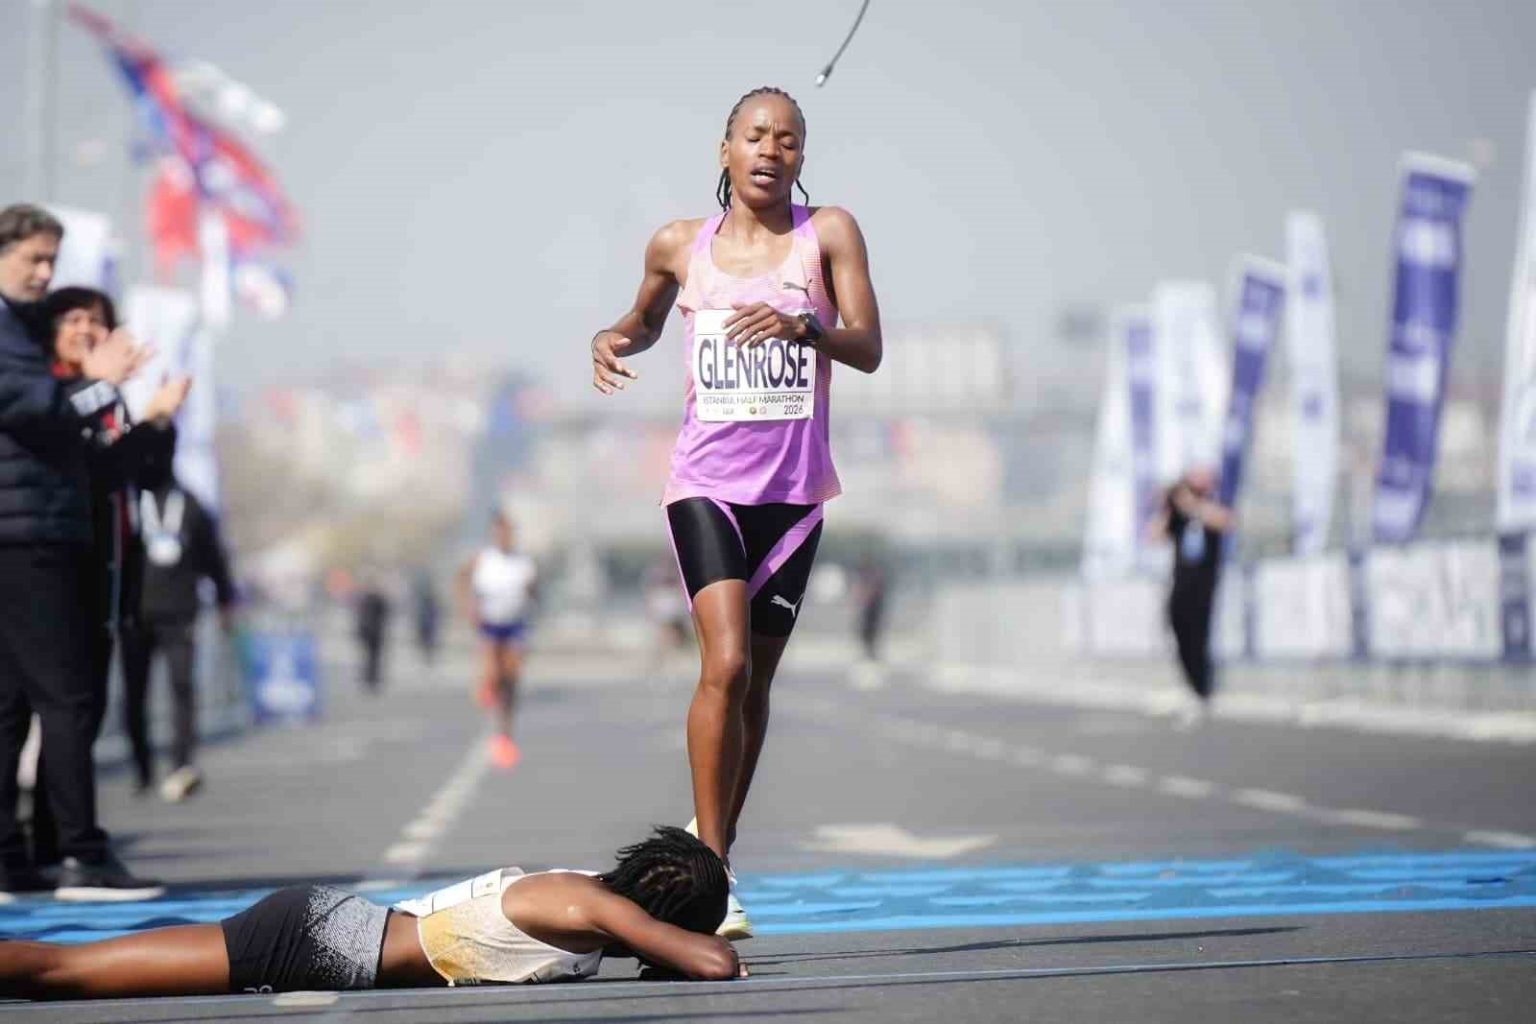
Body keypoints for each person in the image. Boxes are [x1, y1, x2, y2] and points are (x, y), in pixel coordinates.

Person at [590, 87, 883, 938]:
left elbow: (867, 346)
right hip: (706, 486)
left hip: (793, 498)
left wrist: (804, 330)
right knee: (724, 664)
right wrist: (611, 338)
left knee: (755, 682)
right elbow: (643, 321)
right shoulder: (679, 245)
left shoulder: (829, 235)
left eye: (787, 140)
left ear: (801, 157)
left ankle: (716, 849)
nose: (770, 150)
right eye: (755, 136)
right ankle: (711, 873)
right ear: (725, 149)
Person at [0, 826, 745, 1000]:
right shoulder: (590, 903)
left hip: (332, 935)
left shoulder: (589, 901)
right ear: (664, 913)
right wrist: (683, 945)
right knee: (66, 973)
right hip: (315, 939)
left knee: (67, 973)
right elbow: (713, 961)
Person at [0, 203, 163, 900]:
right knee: (68, 699)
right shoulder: (10, 333)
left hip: (37, 531)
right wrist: (102, 383)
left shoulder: (21, 327)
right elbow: (30, 407)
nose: (43, 273)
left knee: (13, 704)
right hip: (29, 534)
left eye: (51, 260)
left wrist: (149, 419)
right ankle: (80, 854)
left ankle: (12, 859)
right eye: (32, 259)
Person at [28, 287, 185, 863]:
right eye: (73, 319)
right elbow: (77, 461)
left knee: (82, 710)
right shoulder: (48, 391)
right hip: (51, 571)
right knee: (41, 710)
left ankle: (52, 840)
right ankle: (57, 847)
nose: (86, 329)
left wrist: (159, 420)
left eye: (97, 320)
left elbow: (137, 473)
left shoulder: (105, 397)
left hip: (109, 574)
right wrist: (100, 386)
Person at [122, 459, 238, 803]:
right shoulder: (130, 504)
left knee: (182, 687)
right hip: (135, 614)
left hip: (180, 613)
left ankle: (182, 764)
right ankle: (142, 767)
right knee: (135, 693)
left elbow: (213, 556)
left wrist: (225, 599)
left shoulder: (189, 503)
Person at [456, 512, 537, 769]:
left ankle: (505, 731)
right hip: (490, 623)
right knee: (493, 671)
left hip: (515, 623)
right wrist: (468, 606)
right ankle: (487, 685)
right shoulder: (483, 559)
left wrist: (530, 592)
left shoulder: (523, 562)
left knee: (511, 676)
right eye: (499, 533)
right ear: (493, 535)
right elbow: (461, 578)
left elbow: (534, 591)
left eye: (507, 533)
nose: (503, 537)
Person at [1150, 468, 1233, 716]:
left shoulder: (1210, 505)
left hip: (1204, 585)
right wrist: (1167, 506)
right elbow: (1155, 536)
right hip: (1180, 584)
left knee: (1199, 637)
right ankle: (1192, 687)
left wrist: (1192, 504)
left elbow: (1225, 521)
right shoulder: (1179, 514)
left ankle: (1203, 690)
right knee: (1178, 631)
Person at [355, 576, 392, 693]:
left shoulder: (365, 599)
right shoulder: (376, 599)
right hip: (374, 632)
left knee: (370, 656)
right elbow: (386, 614)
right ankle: (371, 677)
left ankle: (370, 677)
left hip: (371, 632)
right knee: (372, 657)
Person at [410, 569, 441, 665]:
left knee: (428, 642)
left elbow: (436, 614)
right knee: (426, 641)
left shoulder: (430, 603)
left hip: (429, 625)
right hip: (425, 624)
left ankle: (428, 656)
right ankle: (426, 656)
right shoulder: (422, 603)